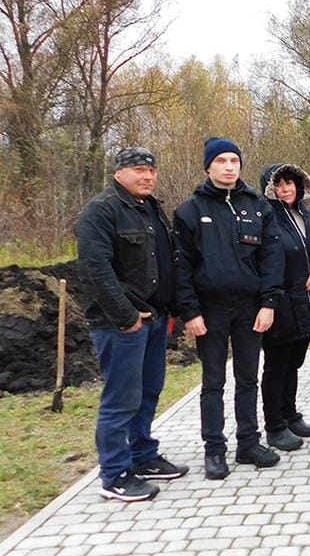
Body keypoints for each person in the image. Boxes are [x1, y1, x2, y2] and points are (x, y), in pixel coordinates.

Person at [75, 147, 188, 502]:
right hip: (121, 324)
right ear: (118, 172)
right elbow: (95, 269)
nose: (148, 176)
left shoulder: (151, 208)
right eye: (139, 170)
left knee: (148, 391)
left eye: (152, 171)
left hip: (155, 318)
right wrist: (124, 316)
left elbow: (163, 262)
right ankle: (114, 474)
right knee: (121, 399)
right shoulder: (101, 210)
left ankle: (142, 455)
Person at [173, 137, 285, 480]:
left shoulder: (257, 206)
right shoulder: (190, 211)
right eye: (221, 160)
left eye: (234, 160)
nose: (228, 166)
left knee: (248, 378)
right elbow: (180, 266)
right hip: (210, 310)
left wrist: (269, 303)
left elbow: (271, 258)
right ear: (208, 166)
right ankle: (214, 449)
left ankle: (248, 443)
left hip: (250, 308)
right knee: (212, 382)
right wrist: (189, 311)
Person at [259, 163, 310, 452]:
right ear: (269, 189)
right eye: (278, 184)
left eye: (290, 183)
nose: (285, 189)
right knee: (276, 366)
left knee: (294, 363)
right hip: (279, 302)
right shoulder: (265, 219)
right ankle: (274, 425)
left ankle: (290, 414)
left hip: (309, 302)